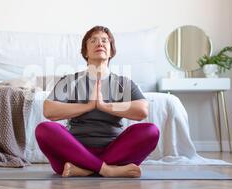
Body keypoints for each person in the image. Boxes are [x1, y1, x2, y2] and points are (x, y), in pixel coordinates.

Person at [35, 26, 160, 177]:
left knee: (151, 131)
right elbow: (49, 110)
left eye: (104, 40)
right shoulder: (70, 80)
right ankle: (106, 170)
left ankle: (85, 169)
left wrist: (103, 106)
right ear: (85, 52)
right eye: (93, 40)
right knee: (44, 129)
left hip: (114, 150)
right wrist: (88, 106)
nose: (99, 43)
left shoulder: (123, 82)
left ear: (111, 51)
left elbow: (142, 111)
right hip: (74, 151)